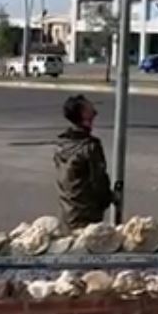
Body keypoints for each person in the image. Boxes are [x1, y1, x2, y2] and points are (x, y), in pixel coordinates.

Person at [53, 94, 117, 229]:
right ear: (83, 114)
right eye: (90, 108)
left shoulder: (61, 144)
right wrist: (111, 198)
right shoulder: (90, 147)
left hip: (67, 213)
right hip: (86, 217)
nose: (95, 111)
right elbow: (98, 183)